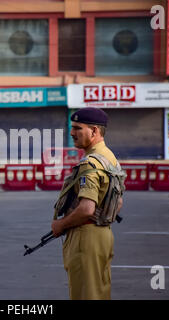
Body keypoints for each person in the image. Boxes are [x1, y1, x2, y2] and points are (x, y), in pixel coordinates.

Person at [51, 107, 123, 300]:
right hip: (102, 234)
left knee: (85, 294)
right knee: (98, 292)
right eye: (72, 127)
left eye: (77, 128)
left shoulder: (90, 164)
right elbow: (119, 202)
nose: (72, 133)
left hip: (86, 237)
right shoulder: (110, 158)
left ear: (94, 131)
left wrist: (60, 225)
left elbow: (86, 208)